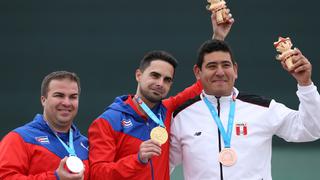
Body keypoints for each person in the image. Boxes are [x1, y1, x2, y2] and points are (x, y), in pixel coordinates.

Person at [88, 9, 234, 180]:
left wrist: (218, 38)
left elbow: (203, 82)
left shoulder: (167, 109)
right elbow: (97, 174)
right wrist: (137, 159)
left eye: (167, 80)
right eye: (155, 76)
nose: (160, 83)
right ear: (138, 75)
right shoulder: (107, 121)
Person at [169, 39, 320, 180]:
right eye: (212, 66)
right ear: (197, 72)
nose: (220, 72)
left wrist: (305, 85)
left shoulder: (263, 108)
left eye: (226, 65)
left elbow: (311, 130)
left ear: (235, 70)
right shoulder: (182, 116)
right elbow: (163, 164)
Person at [0, 71, 89, 180]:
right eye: (59, 95)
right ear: (43, 100)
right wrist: (55, 178)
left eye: (73, 97)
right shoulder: (19, 139)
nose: (66, 103)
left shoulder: (86, 144)